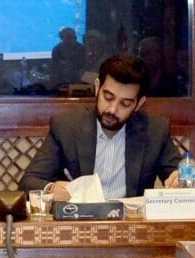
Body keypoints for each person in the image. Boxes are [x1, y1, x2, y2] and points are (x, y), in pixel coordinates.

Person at [19, 54, 181, 201]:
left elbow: (189, 184)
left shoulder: (155, 131)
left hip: (130, 226)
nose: (112, 109)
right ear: (97, 88)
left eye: (125, 103)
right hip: (81, 225)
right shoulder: (66, 126)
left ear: (139, 104)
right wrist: (51, 189)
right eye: (108, 97)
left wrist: (183, 181)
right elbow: (29, 182)